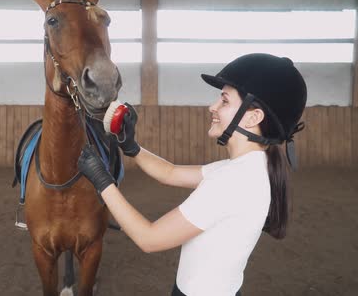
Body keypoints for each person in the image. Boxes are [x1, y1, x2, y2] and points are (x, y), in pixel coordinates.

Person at [77, 53, 308, 296]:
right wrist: (131, 147)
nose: (213, 107)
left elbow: (149, 238)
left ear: (253, 118)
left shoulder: (233, 182)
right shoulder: (246, 168)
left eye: (224, 101)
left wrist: (102, 181)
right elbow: (170, 172)